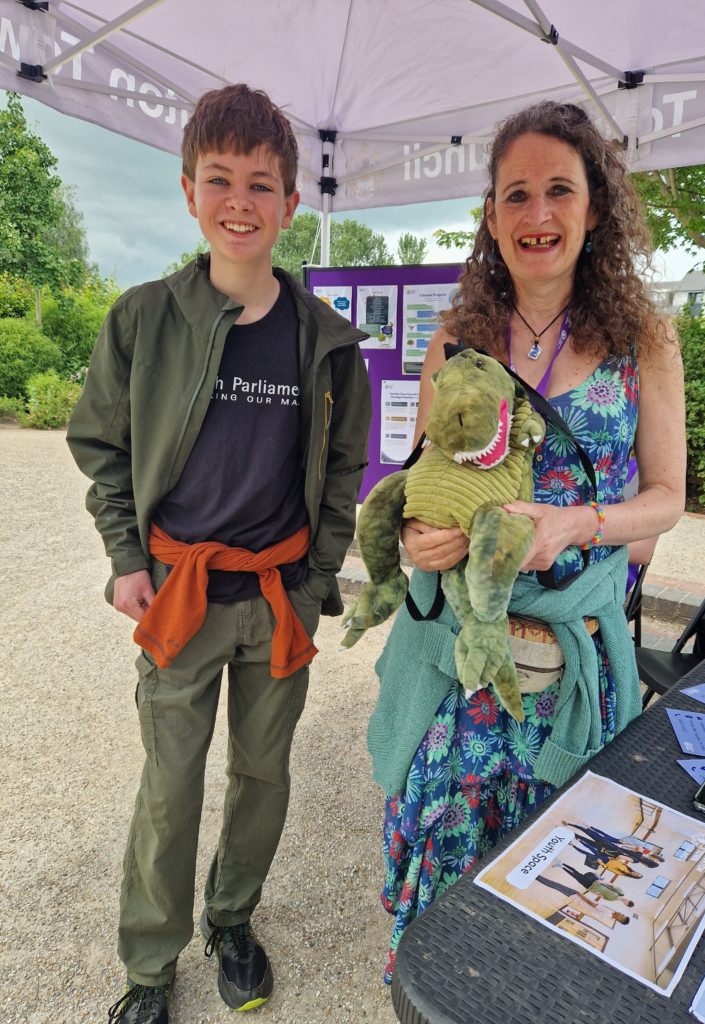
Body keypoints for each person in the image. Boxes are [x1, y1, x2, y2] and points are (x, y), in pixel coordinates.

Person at [67, 84, 371, 1024]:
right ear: (189, 191)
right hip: (179, 596)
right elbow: (100, 443)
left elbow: (344, 470)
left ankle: (231, 919)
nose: (241, 201)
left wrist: (318, 576)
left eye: (262, 184)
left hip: (277, 597)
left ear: (291, 202)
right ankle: (149, 965)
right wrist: (126, 556)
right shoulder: (143, 319)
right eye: (220, 179)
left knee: (263, 778)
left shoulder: (326, 342)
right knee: (170, 786)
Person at [367, 100, 685, 982]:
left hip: (570, 663)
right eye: (516, 195)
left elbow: (668, 500)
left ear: (595, 207)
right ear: (492, 215)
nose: (536, 214)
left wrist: (580, 523)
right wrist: (419, 535)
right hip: (459, 664)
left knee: (559, 889)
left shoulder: (645, 340)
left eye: (558, 190)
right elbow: (424, 481)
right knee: (446, 876)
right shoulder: (457, 340)